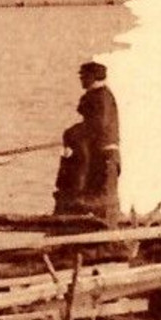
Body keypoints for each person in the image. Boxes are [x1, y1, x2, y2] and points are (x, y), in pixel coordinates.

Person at [56, 61, 121, 226]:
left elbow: (98, 125)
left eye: (83, 76)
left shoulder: (101, 97)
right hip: (100, 156)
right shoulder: (99, 96)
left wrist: (71, 133)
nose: (81, 79)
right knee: (94, 198)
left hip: (105, 157)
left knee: (101, 200)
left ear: (93, 77)